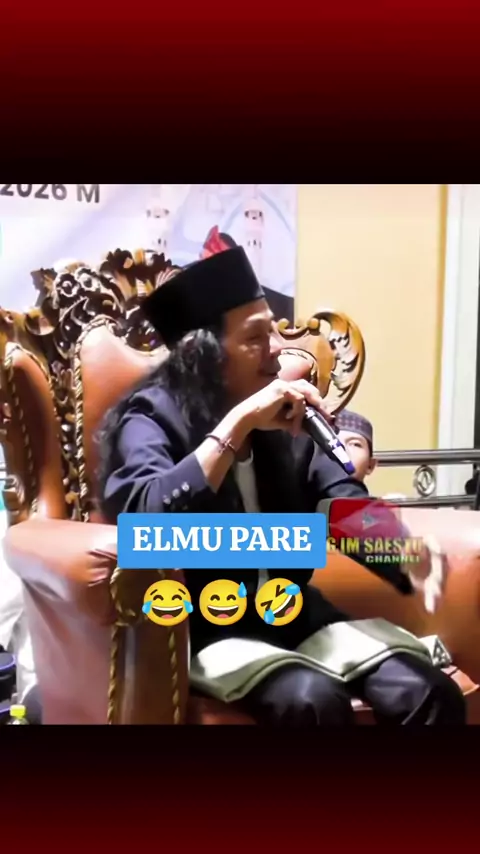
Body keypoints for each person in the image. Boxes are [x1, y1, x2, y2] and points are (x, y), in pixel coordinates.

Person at [97, 247, 465, 725]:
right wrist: (237, 426)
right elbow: (143, 526)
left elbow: (342, 505)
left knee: (428, 691)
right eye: (255, 337)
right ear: (201, 355)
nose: (276, 348)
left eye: (272, 329)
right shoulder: (151, 415)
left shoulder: (285, 413)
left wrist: (404, 552)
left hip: (293, 613)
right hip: (205, 624)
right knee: (312, 701)